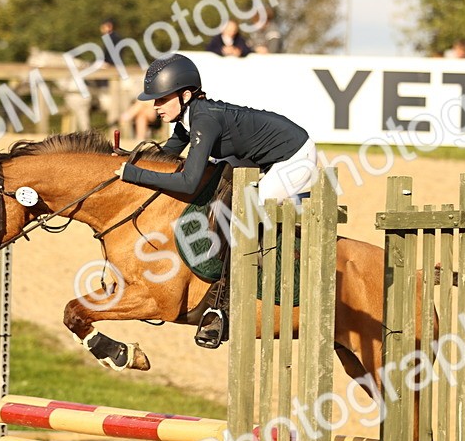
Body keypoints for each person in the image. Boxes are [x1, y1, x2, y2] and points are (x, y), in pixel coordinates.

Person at [114, 54, 318, 349]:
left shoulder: (204, 120)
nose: (155, 107)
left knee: (241, 217)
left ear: (185, 95)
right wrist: (126, 157)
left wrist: (133, 174)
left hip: (294, 159)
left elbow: (188, 181)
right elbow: (163, 158)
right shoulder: (189, 118)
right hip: (268, 160)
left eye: (161, 99)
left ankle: (221, 308)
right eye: (154, 100)